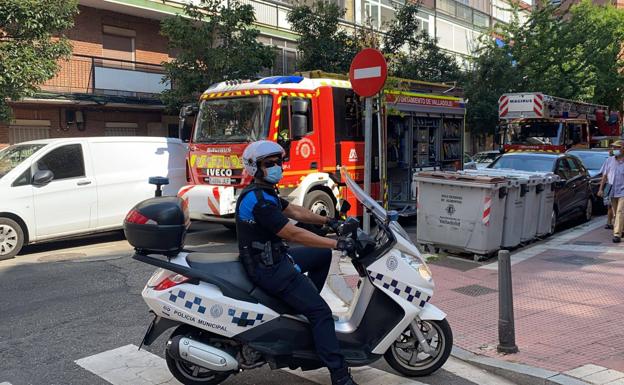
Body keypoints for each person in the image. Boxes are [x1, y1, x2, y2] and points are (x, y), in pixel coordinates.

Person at [236, 140, 359, 385]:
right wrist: (336, 244)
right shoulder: (258, 201)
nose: (276, 167)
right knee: (321, 312)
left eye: (278, 162)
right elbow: (293, 233)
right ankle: (340, 375)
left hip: (275, 258)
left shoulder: (264, 193)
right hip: (268, 269)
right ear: (254, 168)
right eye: (269, 164)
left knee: (321, 258)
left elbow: (294, 211)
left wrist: (329, 221)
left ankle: (301, 306)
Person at [598, 140, 624, 242]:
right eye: (613, 147)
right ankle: (621, 229)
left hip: (623, 191)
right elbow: (604, 176)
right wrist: (601, 189)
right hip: (612, 190)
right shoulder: (609, 161)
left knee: (620, 211)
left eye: (617, 147)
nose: (615, 150)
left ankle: (616, 234)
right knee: (615, 212)